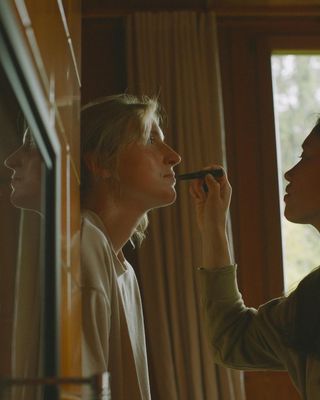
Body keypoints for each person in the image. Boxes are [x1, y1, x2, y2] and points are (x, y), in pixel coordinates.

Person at [189, 117, 320, 400]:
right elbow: (232, 339)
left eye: (306, 157)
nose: (289, 173)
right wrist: (213, 226)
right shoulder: (311, 298)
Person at [80, 94, 181, 399]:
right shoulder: (84, 243)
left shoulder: (125, 271)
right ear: (100, 163)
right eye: (151, 140)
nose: (174, 156)